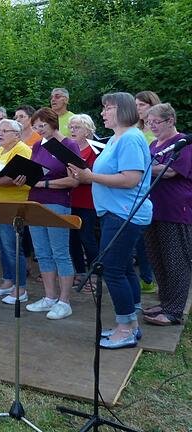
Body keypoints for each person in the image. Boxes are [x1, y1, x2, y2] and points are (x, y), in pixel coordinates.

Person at [67, 92, 153, 349]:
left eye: (108, 108)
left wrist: (89, 176)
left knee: (113, 271)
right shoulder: (118, 138)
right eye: (103, 108)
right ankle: (129, 324)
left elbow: (130, 179)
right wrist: (86, 175)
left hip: (125, 214)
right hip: (115, 213)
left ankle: (126, 328)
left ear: (123, 110)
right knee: (123, 269)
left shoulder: (130, 138)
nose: (103, 112)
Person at [22, 108, 80, 320]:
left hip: (57, 203)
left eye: (42, 126)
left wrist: (45, 182)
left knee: (60, 252)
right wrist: (24, 177)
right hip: (35, 202)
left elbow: (74, 180)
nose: (39, 130)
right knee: (42, 252)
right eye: (36, 126)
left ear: (52, 123)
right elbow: (32, 173)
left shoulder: (69, 145)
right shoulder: (37, 145)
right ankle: (49, 297)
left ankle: (65, 301)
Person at [142, 103, 191, 326]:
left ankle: (174, 311)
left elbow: (170, 171)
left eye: (156, 122)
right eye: (149, 122)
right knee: (157, 258)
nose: (152, 126)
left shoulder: (183, 144)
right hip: (154, 208)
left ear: (170, 121)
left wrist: (137, 166)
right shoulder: (154, 143)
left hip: (175, 210)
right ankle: (165, 301)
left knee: (176, 260)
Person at [0, 119, 32, 304]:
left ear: (16, 134)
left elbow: (15, 175)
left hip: (11, 205)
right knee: (1, 246)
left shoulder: (22, 149)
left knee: (12, 247)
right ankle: (8, 281)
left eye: (4, 130)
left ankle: (21, 288)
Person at [67, 114, 100, 290]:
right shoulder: (69, 148)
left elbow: (95, 176)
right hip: (69, 198)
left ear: (87, 130)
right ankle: (79, 272)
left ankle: (94, 275)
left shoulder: (94, 149)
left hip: (87, 199)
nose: (72, 130)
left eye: (77, 127)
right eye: (71, 127)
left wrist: (77, 177)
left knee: (87, 237)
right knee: (71, 238)